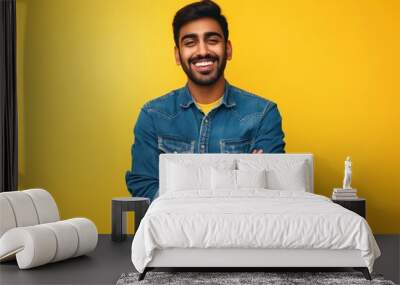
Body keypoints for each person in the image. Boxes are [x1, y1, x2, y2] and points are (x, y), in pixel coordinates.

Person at [126, 0, 285, 201]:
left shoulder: (263, 114)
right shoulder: (153, 116)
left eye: (212, 40)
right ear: (177, 54)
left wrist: (180, 189)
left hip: (242, 230)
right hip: (176, 231)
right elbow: (143, 186)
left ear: (228, 49)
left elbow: (267, 190)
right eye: (190, 43)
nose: (202, 51)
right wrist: (240, 179)